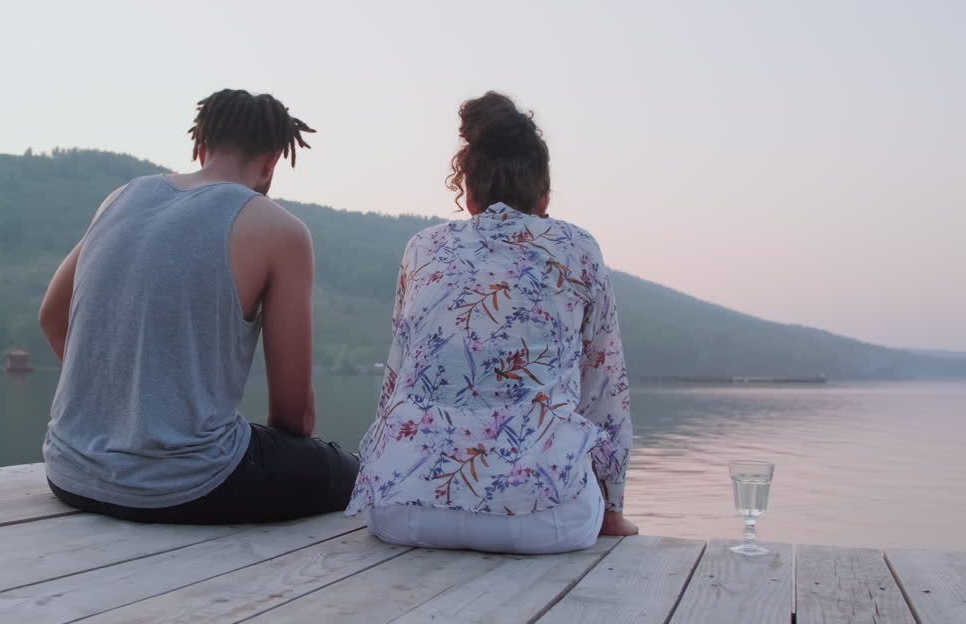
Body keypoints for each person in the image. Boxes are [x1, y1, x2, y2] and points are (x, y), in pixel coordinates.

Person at [38, 89, 358, 525]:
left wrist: (124, 406)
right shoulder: (279, 228)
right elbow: (293, 415)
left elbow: (52, 319)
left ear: (201, 147)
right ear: (272, 161)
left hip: (70, 474)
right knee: (352, 470)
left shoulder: (121, 198)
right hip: (190, 487)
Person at [346, 91, 637, 554]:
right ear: (543, 197)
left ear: (469, 192)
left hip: (403, 510)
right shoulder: (577, 247)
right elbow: (605, 386)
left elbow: (397, 383)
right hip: (545, 519)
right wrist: (613, 506)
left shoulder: (424, 248)